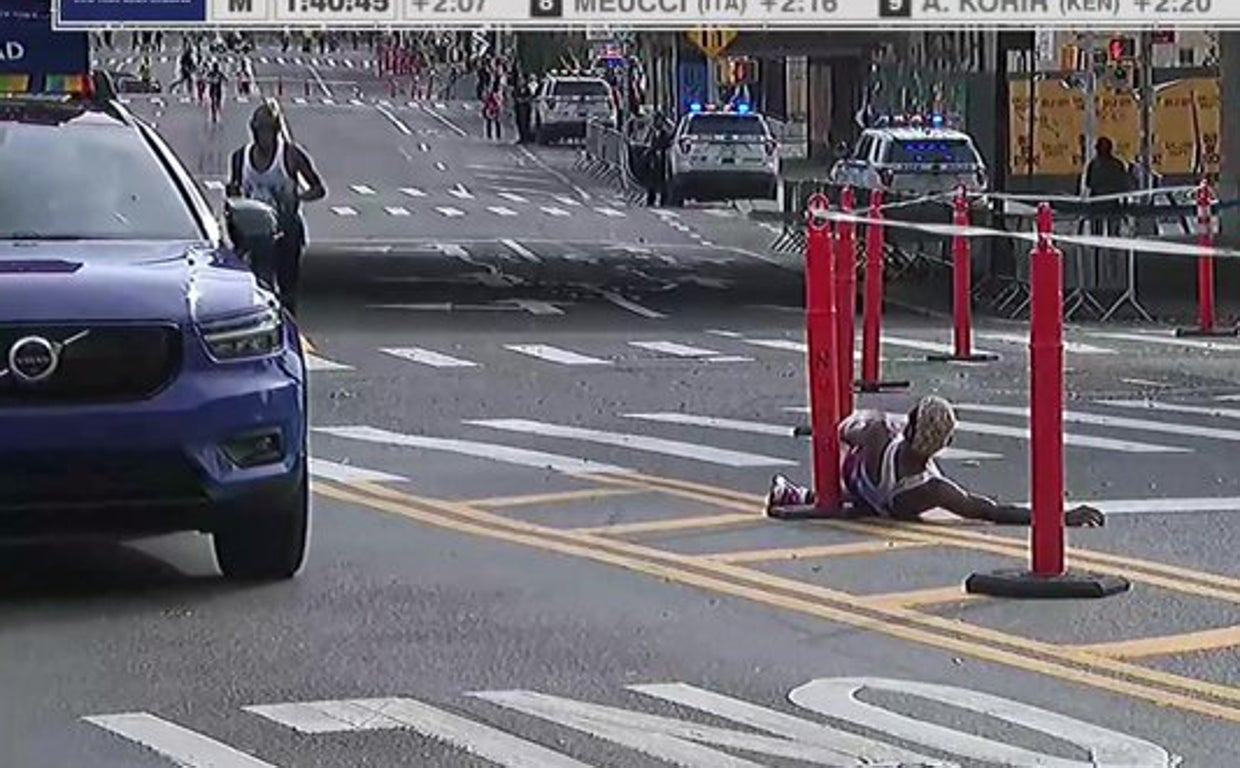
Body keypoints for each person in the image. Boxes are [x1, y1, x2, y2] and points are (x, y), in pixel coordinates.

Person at [767, 396, 1106, 527]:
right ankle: (807, 496)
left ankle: (809, 495)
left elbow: (841, 432)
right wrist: (1059, 518)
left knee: (868, 424)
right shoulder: (934, 491)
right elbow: (990, 511)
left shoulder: (880, 432)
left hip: (859, 478)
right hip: (887, 500)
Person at [226, 101, 327, 315]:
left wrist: (298, 196)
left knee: (287, 286)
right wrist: (233, 192)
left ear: (276, 131)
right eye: (259, 130)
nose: (264, 137)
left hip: (286, 228)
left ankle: (289, 321)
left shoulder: (291, 156)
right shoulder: (239, 158)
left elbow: (319, 189)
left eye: (268, 130)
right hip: (254, 232)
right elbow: (234, 194)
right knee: (257, 283)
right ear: (252, 130)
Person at [644, 112, 673, 207]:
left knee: (662, 180)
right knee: (651, 180)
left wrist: (655, 150)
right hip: (653, 160)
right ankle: (650, 200)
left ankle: (663, 200)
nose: (655, 123)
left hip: (662, 160)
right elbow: (647, 143)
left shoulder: (665, 134)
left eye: (657, 120)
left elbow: (666, 144)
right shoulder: (651, 133)